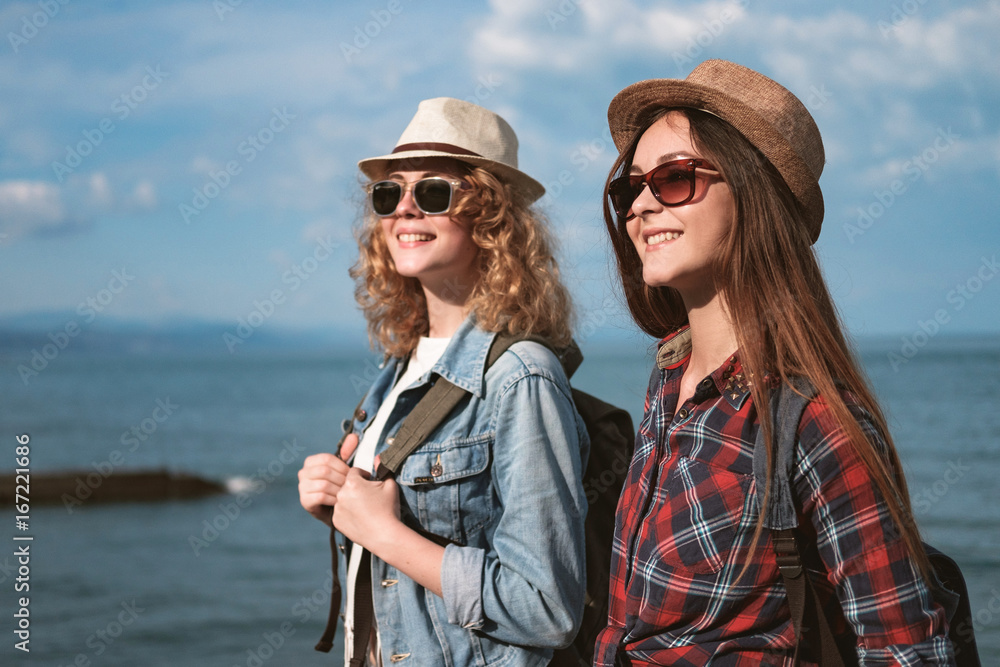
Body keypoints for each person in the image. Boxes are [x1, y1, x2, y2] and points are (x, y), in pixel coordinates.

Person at [593, 60, 955, 665]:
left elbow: (907, 649)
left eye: (674, 178)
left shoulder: (814, 420)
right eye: (632, 185)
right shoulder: (668, 383)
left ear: (752, 193)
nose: (640, 205)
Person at [297, 97, 589, 666]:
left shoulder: (521, 378)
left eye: (432, 192)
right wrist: (341, 504)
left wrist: (382, 533)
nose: (405, 209)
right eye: (389, 195)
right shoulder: (401, 368)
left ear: (491, 217)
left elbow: (548, 606)